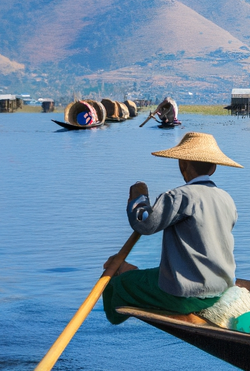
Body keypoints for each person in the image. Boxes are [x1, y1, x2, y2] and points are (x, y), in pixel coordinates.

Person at [102, 131, 242, 324]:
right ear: (214, 169)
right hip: (219, 289)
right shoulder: (227, 199)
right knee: (153, 274)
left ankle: (115, 315)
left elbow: (145, 224)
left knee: (120, 285)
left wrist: (139, 198)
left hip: (187, 294)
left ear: (182, 164)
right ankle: (132, 272)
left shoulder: (181, 196)